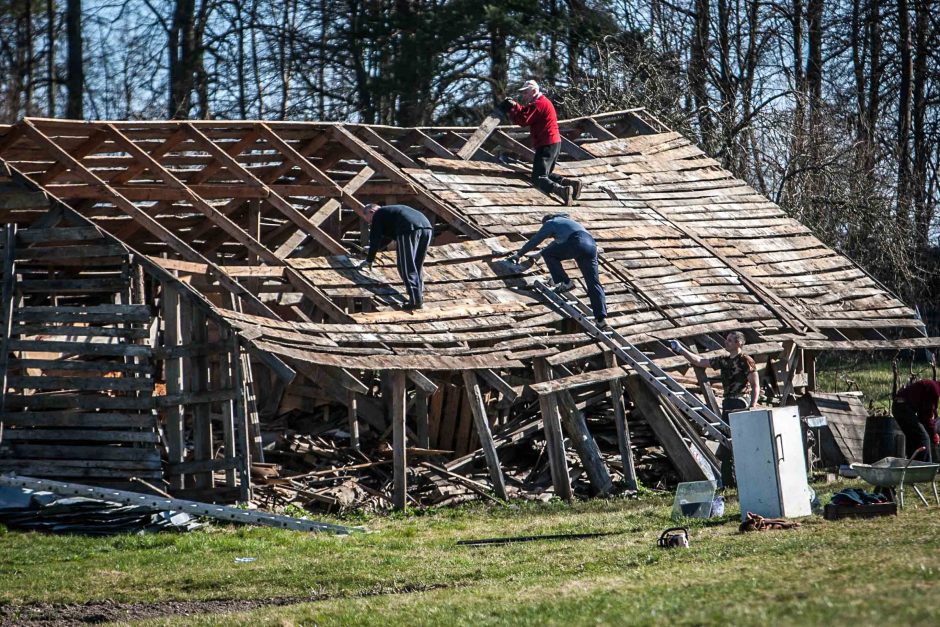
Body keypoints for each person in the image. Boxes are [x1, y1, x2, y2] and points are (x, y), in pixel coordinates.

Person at [669, 331, 759, 486]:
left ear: (739, 343)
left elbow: (755, 384)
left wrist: (753, 404)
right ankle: (729, 482)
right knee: (726, 443)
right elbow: (699, 361)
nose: (727, 342)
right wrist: (681, 350)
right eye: (727, 339)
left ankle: (748, 479)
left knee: (739, 441)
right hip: (728, 403)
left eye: (730, 340)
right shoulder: (723, 361)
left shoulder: (746, 360)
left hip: (740, 402)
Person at [507, 213, 608, 330]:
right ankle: (601, 319)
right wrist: (538, 255)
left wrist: (519, 254)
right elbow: (554, 245)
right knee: (594, 283)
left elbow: (536, 239)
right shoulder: (567, 224)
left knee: (548, 254)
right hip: (591, 247)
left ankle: (565, 282)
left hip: (577, 242)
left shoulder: (551, 223)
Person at [499, 80, 582, 206]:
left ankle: (563, 191)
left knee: (538, 178)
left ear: (533, 91)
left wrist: (512, 108)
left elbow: (523, 119)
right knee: (545, 174)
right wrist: (515, 107)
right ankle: (570, 184)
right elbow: (525, 113)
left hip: (546, 144)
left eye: (525, 92)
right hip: (553, 143)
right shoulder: (542, 102)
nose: (524, 96)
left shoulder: (538, 104)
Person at [358, 204, 432, 311]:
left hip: (408, 228)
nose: (370, 223)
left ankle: (415, 301)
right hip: (426, 228)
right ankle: (418, 297)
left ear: (372, 211)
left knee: (405, 266)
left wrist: (369, 259)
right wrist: (372, 249)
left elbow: (375, 237)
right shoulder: (390, 214)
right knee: (417, 266)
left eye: (369, 221)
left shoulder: (379, 214)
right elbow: (384, 239)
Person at [892, 378, 940, 462]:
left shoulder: (932, 386)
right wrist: (933, 435)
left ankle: (913, 467)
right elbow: (926, 416)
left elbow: (923, 414)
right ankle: (925, 469)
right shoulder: (934, 389)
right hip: (903, 407)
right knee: (923, 438)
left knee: (914, 439)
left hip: (898, 406)